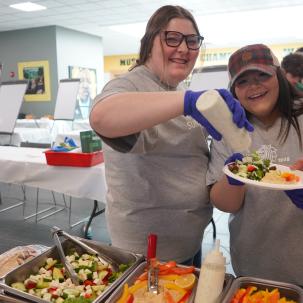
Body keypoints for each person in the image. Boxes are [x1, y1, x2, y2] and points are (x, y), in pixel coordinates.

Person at [90, 5, 252, 266]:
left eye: (192, 41)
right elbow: (101, 117)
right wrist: (187, 101)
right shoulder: (132, 84)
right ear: (149, 43)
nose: (184, 49)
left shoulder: (175, 88)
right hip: (146, 251)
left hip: (187, 242)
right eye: (172, 38)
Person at [207, 43, 303, 284]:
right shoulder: (227, 130)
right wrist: (233, 177)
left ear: (279, 76)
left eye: (263, 75)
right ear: (234, 91)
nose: (254, 86)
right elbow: (225, 204)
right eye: (243, 81)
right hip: (253, 264)